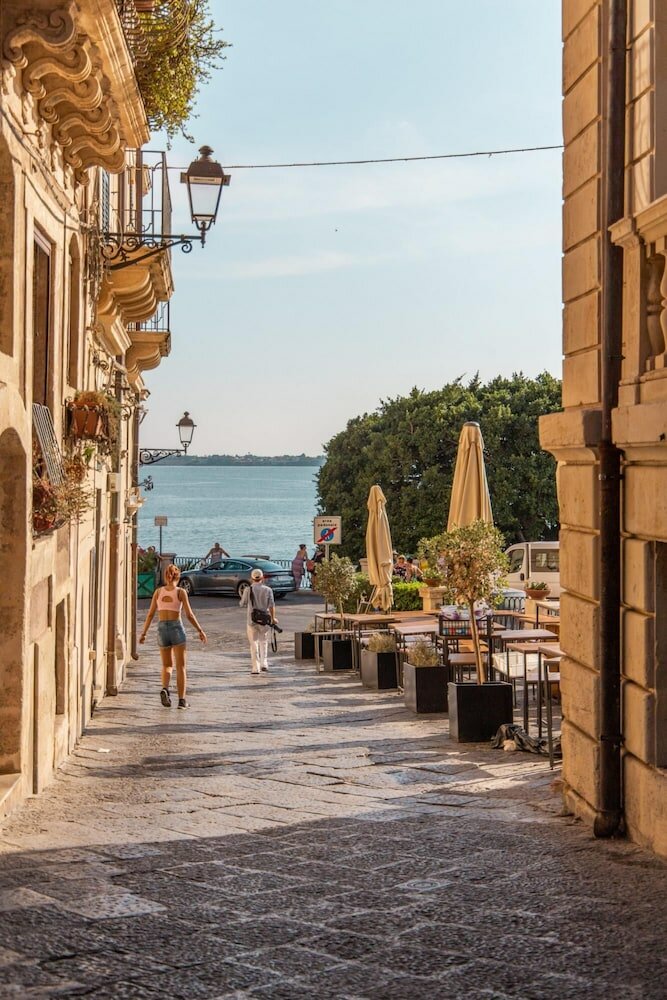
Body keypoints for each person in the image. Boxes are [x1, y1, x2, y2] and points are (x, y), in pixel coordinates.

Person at [139, 563, 207, 708]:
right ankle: (182, 701)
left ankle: (165, 688)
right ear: (178, 576)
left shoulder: (158, 592)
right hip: (176, 627)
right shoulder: (180, 592)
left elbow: (150, 614)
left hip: (162, 628)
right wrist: (200, 630)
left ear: (165, 576)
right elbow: (189, 614)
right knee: (181, 666)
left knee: (166, 665)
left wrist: (143, 633)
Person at [240, 568, 277, 674]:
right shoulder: (268, 590)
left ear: (251, 578)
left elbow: (242, 603)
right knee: (263, 641)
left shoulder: (248, 590)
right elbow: (272, 606)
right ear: (262, 578)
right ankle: (264, 663)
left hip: (252, 620)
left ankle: (255, 668)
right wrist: (273, 618)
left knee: (254, 643)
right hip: (265, 619)